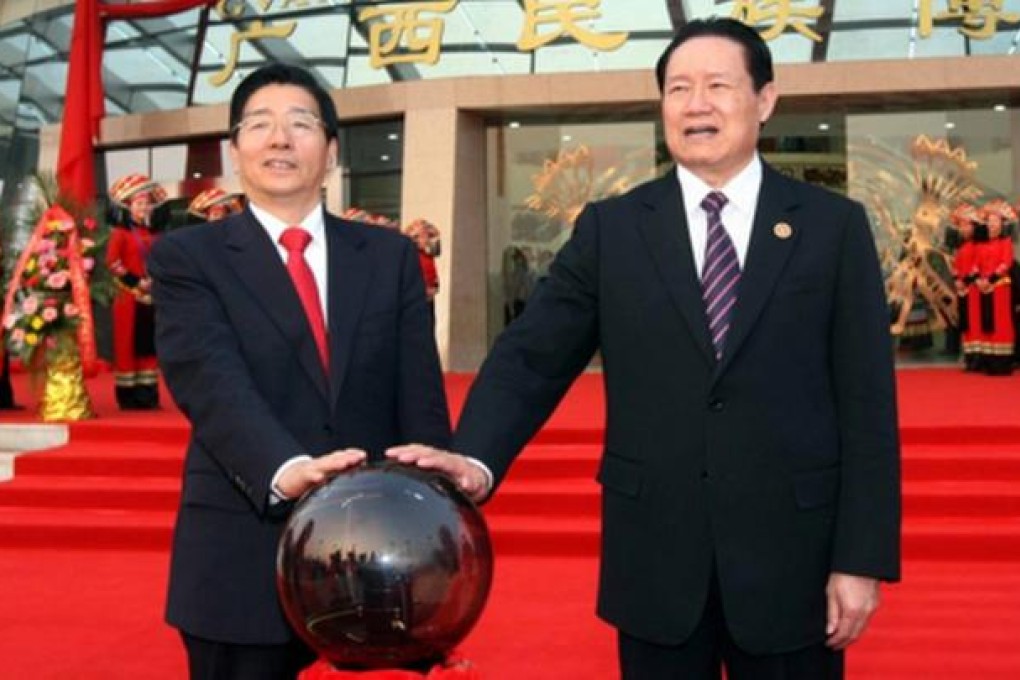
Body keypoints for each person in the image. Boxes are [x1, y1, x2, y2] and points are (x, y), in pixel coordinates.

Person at [389, 18, 901, 680]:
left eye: (718, 85)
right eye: (679, 88)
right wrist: (474, 457)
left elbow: (866, 405)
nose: (696, 104)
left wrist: (860, 558)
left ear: (765, 99)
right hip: (657, 560)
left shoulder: (832, 228)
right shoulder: (615, 229)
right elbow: (532, 355)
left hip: (792, 559)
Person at [148, 63, 451, 680]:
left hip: (378, 553)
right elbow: (208, 378)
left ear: (332, 150)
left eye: (300, 124)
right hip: (242, 547)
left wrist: (435, 520)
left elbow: (419, 394)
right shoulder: (188, 256)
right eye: (259, 124)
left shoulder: (390, 255)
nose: (279, 139)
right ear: (236, 151)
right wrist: (286, 470)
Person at [106, 173, 167, 409]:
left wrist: (155, 279)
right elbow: (112, 263)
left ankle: (148, 396)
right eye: (139, 204)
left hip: (150, 295)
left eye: (146, 204)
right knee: (127, 344)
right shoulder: (119, 234)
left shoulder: (155, 234)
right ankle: (129, 397)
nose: (144, 208)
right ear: (128, 207)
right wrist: (135, 282)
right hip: (128, 297)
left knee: (148, 345)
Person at [974, 199, 1016, 375]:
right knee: (987, 323)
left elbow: (1006, 263)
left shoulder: (1006, 243)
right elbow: (976, 264)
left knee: (1001, 324)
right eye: (989, 221)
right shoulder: (982, 245)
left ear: (1002, 224)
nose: (992, 225)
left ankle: (1002, 363)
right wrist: (979, 280)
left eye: (995, 221)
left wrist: (990, 279)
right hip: (984, 287)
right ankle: (988, 361)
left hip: (1000, 288)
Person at [404, 218, 441, 323]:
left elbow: (436, 249)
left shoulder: (427, 252)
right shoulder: (412, 250)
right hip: (418, 292)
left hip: (429, 291)